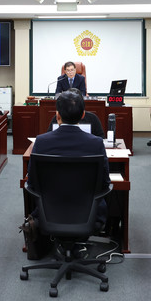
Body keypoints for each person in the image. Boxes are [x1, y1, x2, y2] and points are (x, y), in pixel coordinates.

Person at [30, 90, 110, 226]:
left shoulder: (41, 142)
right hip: (88, 214)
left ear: (57, 115)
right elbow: (105, 183)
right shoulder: (96, 143)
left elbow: (32, 182)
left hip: (49, 212)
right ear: (83, 114)